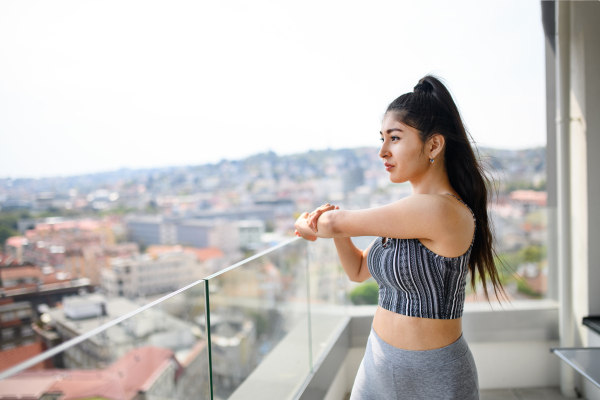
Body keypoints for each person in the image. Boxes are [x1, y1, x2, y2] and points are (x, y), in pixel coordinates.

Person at [294, 75, 506, 400]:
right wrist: (336, 231)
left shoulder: (441, 211)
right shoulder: (406, 215)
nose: (382, 151)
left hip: (433, 378)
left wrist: (309, 222)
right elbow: (357, 270)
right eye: (382, 138)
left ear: (433, 145)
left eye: (394, 138)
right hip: (376, 365)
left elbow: (333, 223)